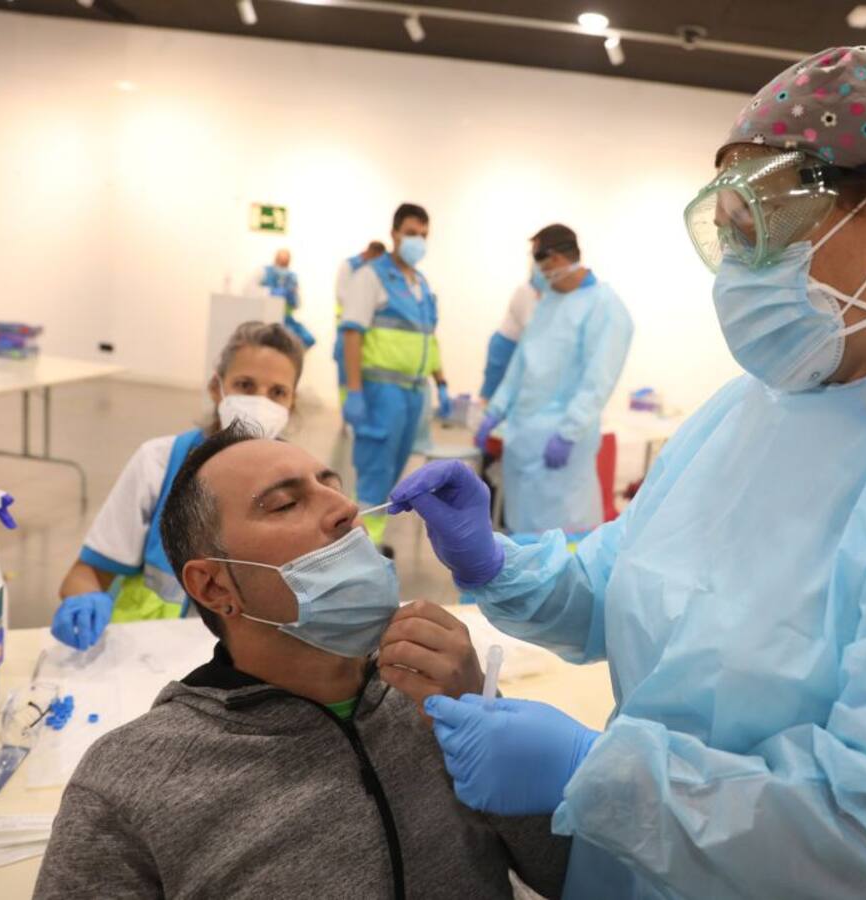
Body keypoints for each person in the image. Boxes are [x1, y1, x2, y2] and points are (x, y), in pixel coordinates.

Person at [390, 46, 866, 899]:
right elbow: (625, 577)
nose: (738, 277)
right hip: (645, 864)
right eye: (731, 239)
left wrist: (595, 771)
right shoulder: (757, 401)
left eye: (766, 233)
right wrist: (496, 561)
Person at [34, 427, 569, 899]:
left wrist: (486, 714)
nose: (345, 510)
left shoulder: (445, 696)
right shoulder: (132, 786)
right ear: (215, 584)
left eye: (332, 485)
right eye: (285, 504)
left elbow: (574, 876)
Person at [51, 322, 303, 651]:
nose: (260, 402)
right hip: (147, 655)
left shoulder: (303, 489)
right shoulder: (158, 462)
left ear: (291, 403)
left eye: (277, 393)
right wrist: (83, 602)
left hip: (244, 668)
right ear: (217, 387)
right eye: (245, 385)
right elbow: (86, 574)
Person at [474, 225, 632, 535]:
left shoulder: (605, 307)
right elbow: (521, 365)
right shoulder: (548, 302)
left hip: (561, 445)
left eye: (541, 267)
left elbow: (598, 381)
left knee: (562, 534)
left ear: (558, 260)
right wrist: (495, 409)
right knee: (523, 530)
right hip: (523, 439)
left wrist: (569, 432)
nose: (538, 276)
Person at [340, 203, 452, 548]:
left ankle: (373, 541)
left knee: (394, 476)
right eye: (411, 233)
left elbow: (428, 338)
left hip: (414, 395)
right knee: (374, 475)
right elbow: (352, 333)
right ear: (394, 234)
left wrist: (441, 382)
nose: (417, 240)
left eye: (423, 235)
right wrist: (354, 391)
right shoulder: (371, 276)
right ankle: (360, 549)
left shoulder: (420, 284)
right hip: (380, 394)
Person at [334, 240, 387, 404]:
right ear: (370, 253)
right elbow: (342, 295)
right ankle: (346, 414)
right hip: (348, 327)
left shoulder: (376, 271)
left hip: (368, 331)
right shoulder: (349, 266)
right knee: (346, 373)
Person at [480, 272, 542, 401]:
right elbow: (531, 327)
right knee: (492, 397)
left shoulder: (551, 297)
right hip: (506, 347)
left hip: (524, 349)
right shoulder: (525, 291)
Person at [263, 248, 316, 349]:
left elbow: (297, 304)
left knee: (307, 339)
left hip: (287, 319)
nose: (283, 267)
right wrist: (271, 292)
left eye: (285, 263)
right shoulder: (265, 273)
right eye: (281, 262)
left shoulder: (292, 278)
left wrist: (293, 296)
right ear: (275, 260)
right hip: (268, 318)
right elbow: (251, 291)